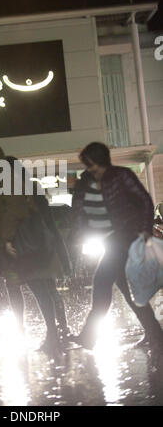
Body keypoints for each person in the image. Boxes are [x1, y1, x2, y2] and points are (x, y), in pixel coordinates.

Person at [0, 140, 71, 355]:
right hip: (16, 241)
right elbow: (1, 209)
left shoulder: (6, 177)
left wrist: (7, 242)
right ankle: (46, 335)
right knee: (25, 285)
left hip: (18, 242)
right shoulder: (0, 178)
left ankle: (52, 336)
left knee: (36, 286)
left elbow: (16, 211)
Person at [69, 142, 163, 354]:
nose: (89, 169)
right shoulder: (88, 182)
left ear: (101, 161)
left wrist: (145, 230)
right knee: (128, 291)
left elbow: (145, 202)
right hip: (111, 241)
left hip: (127, 239)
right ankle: (155, 334)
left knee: (102, 282)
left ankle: (89, 336)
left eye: (91, 164)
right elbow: (80, 210)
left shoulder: (122, 176)